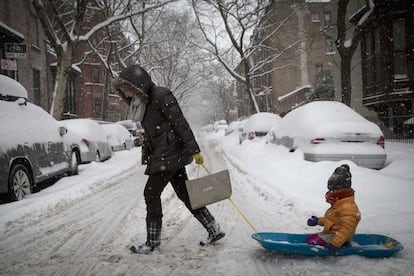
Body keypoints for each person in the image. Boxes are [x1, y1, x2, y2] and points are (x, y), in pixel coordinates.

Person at [114, 65, 225, 254]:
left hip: (169, 154)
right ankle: (214, 228)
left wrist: (195, 150)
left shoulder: (160, 95)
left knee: (151, 193)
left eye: (126, 87)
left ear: (136, 85)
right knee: (185, 194)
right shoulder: (141, 102)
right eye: (122, 89)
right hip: (165, 154)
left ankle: (152, 242)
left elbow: (179, 122)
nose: (124, 92)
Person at [306, 164, 361, 254]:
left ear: (340, 190)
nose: (330, 193)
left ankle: (344, 244)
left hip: (338, 237)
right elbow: (332, 221)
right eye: (329, 190)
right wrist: (318, 221)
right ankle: (340, 243)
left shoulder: (347, 207)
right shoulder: (339, 202)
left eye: (332, 190)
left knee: (312, 242)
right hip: (331, 234)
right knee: (309, 238)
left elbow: (346, 230)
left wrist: (335, 244)